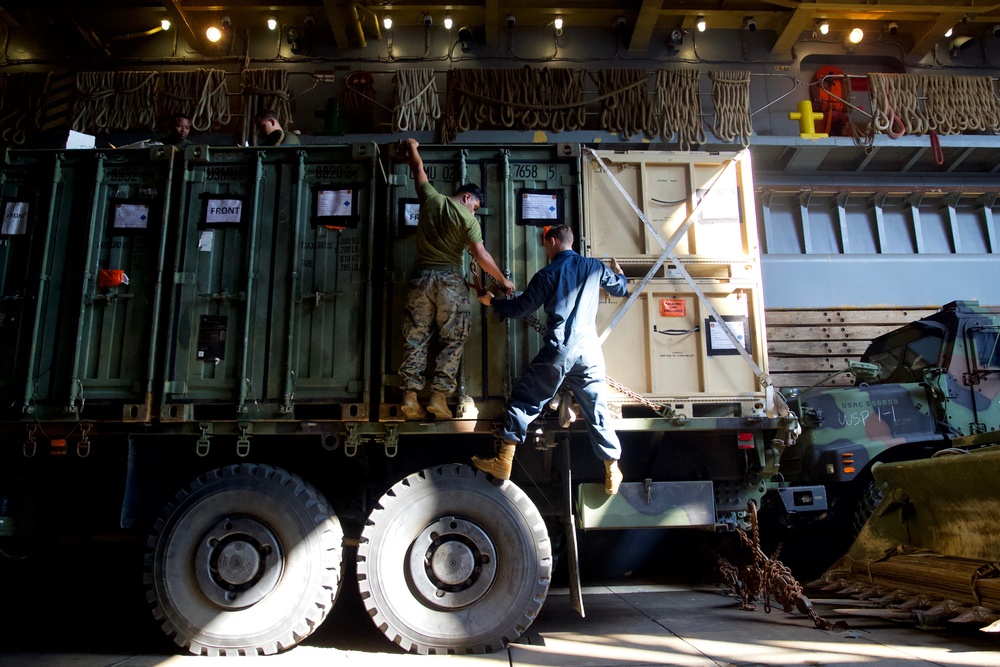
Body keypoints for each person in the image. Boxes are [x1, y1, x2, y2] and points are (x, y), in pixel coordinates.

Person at [472, 224, 628, 494]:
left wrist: (492, 302)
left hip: (560, 349)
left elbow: (521, 308)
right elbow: (620, 289)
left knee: (525, 399)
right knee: (596, 409)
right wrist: (621, 276)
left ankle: (504, 462)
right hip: (590, 353)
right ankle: (612, 469)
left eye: (545, 244)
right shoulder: (595, 266)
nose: (545, 249)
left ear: (553, 241)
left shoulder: (547, 274)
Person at [399, 138, 514, 420]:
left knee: (415, 338)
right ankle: (438, 399)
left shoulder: (430, 199)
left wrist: (413, 145)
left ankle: (410, 398)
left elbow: (417, 168)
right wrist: (503, 281)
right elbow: (481, 256)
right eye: (475, 205)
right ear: (466, 198)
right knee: (453, 339)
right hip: (449, 282)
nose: (474, 210)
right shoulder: (467, 219)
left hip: (421, 281)